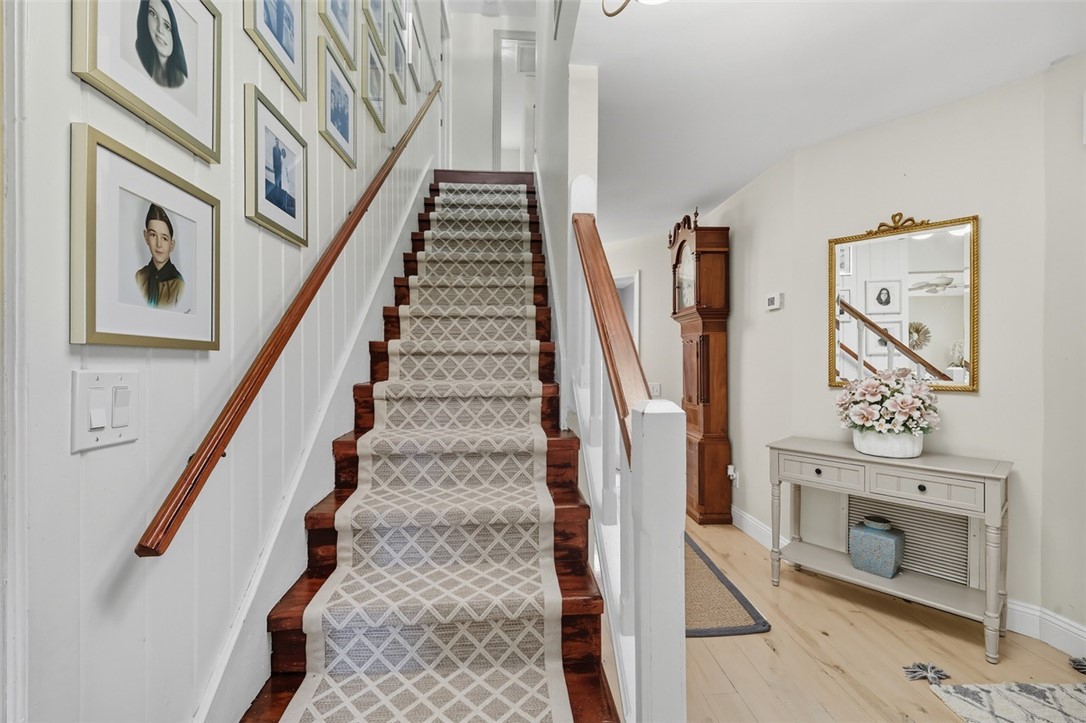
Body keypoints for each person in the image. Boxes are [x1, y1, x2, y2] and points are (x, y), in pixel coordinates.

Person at [135, 203, 185, 308]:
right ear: (146, 237)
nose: (158, 244)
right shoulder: (139, 277)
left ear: (172, 245)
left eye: (164, 238)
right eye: (153, 235)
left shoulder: (179, 285)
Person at [135, 0, 188, 89]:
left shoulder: (181, 80)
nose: (160, 29)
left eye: (167, 26)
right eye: (152, 13)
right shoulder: (138, 61)